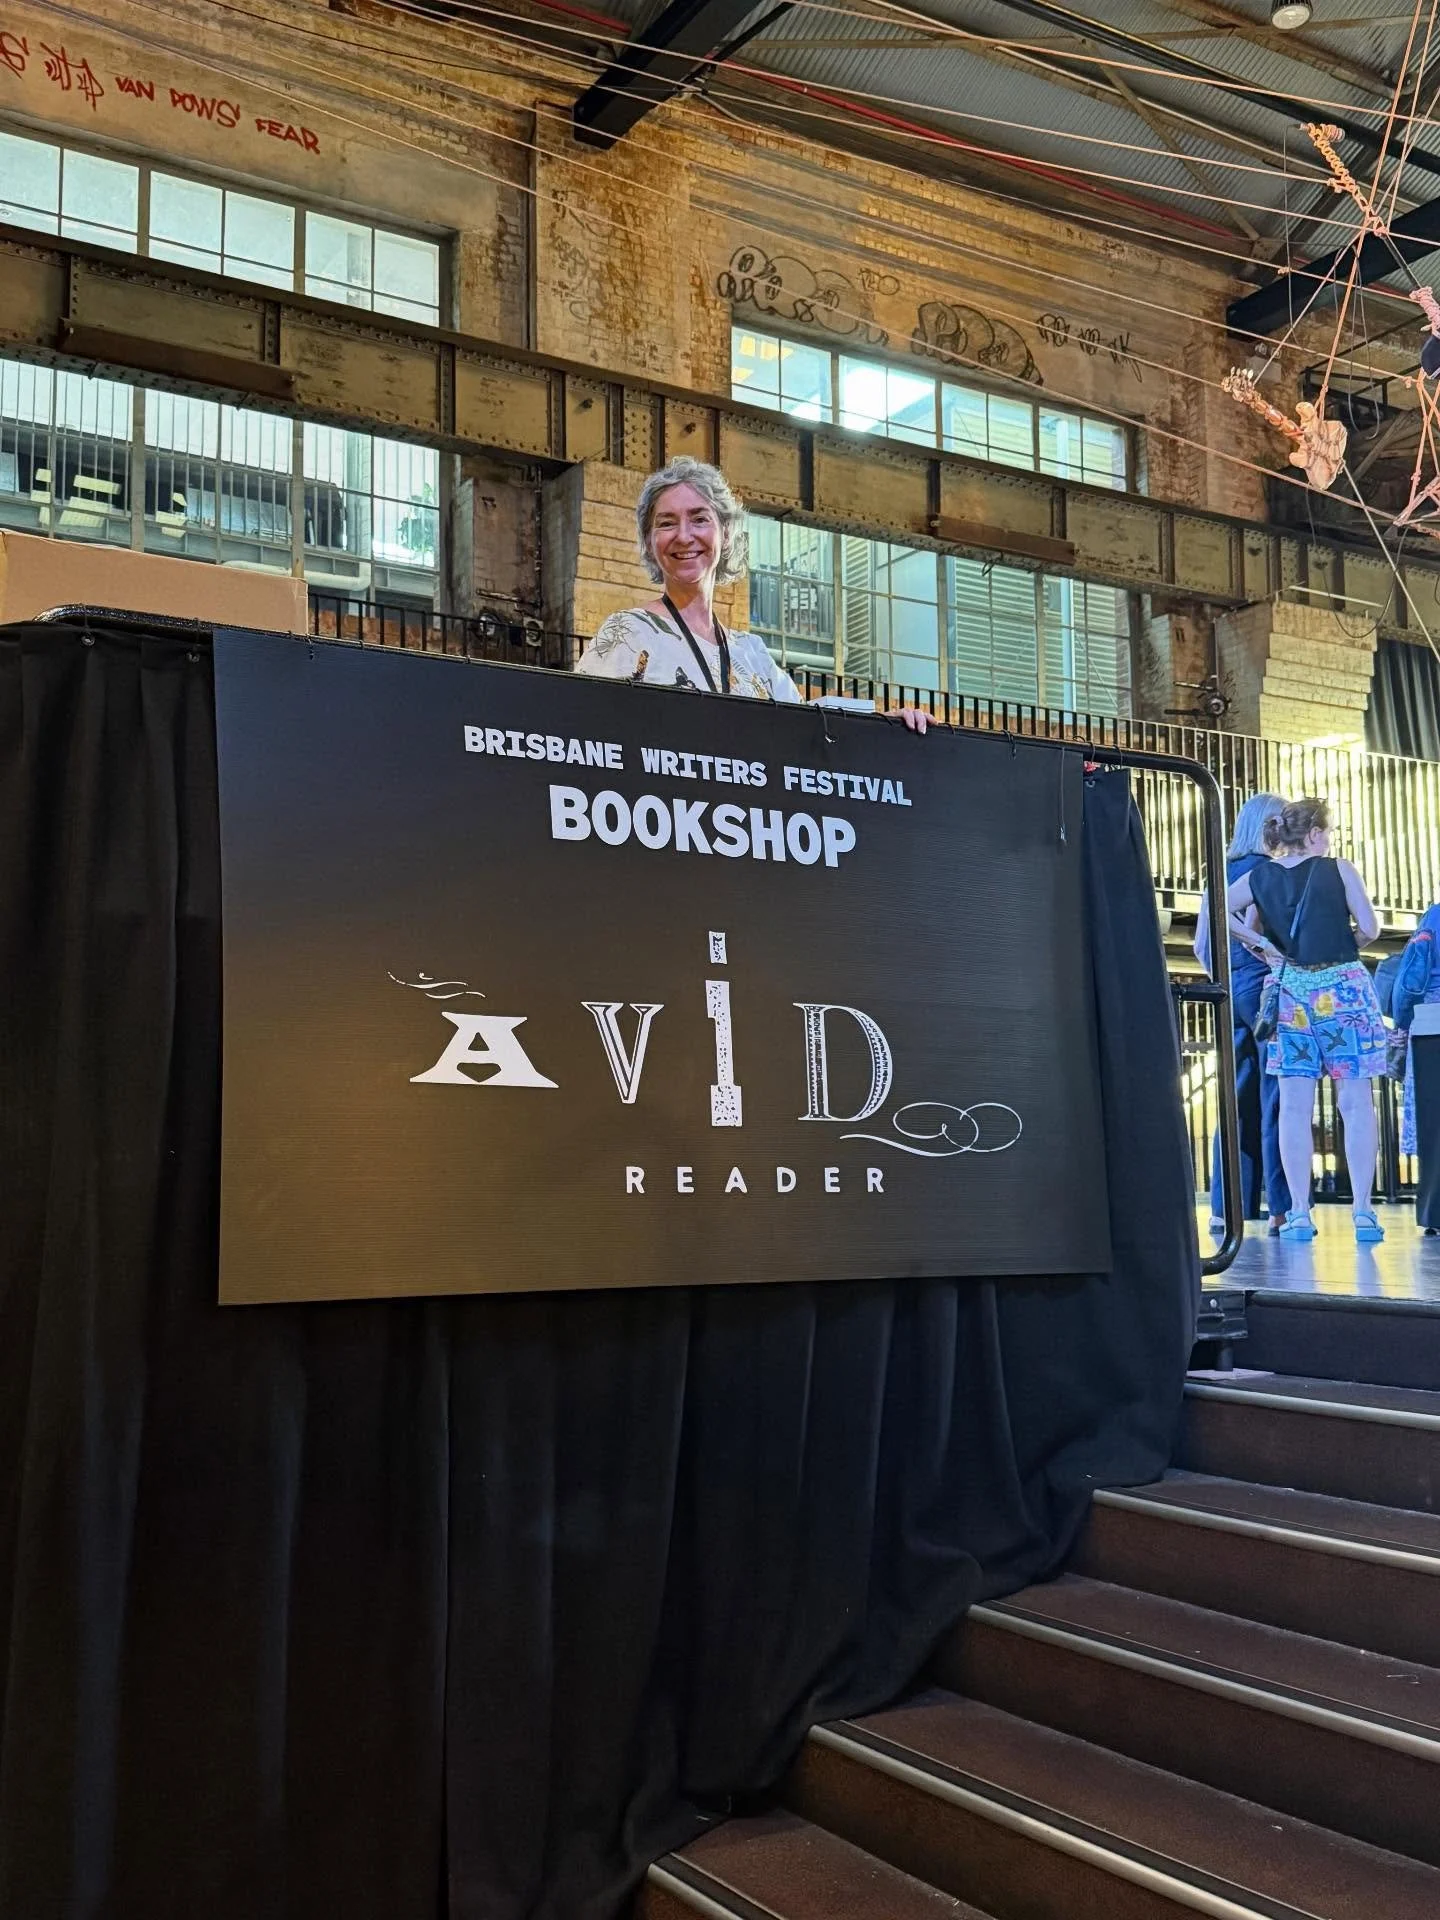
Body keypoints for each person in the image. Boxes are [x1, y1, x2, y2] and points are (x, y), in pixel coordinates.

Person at [574, 456, 927, 727]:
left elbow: (805, 730)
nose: (684, 536)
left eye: (700, 519)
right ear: (650, 543)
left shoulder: (751, 654)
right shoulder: (628, 633)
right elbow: (580, 728)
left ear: (725, 534)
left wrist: (884, 729)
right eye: (666, 523)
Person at [1227, 797, 1387, 1245]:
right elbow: (1371, 929)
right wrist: (1346, 942)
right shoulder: (1339, 869)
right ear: (1315, 832)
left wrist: (1262, 944)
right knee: (1355, 1102)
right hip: (1344, 989)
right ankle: (1362, 1212)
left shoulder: (1259, 876)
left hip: (1290, 990)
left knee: (1293, 1108)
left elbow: (1216, 911)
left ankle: (1298, 1212)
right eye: (1329, 831)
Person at [1194, 793, 1291, 1237]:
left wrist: (1224, 975)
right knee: (1278, 1095)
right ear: (1266, 826)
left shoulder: (1218, 872)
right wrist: (1266, 954)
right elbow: (1252, 925)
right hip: (1263, 985)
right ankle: (1282, 1208)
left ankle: (1225, 1207)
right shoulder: (1265, 871)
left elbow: (1200, 943)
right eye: (1280, 821)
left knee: (1234, 1100)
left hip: (1226, 988)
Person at [1394, 904, 1440, 1233]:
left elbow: (1414, 967)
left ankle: (1435, 1212)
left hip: (1434, 1021)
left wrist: (1401, 1019)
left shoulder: (1436, 916)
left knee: (1434, 1126)